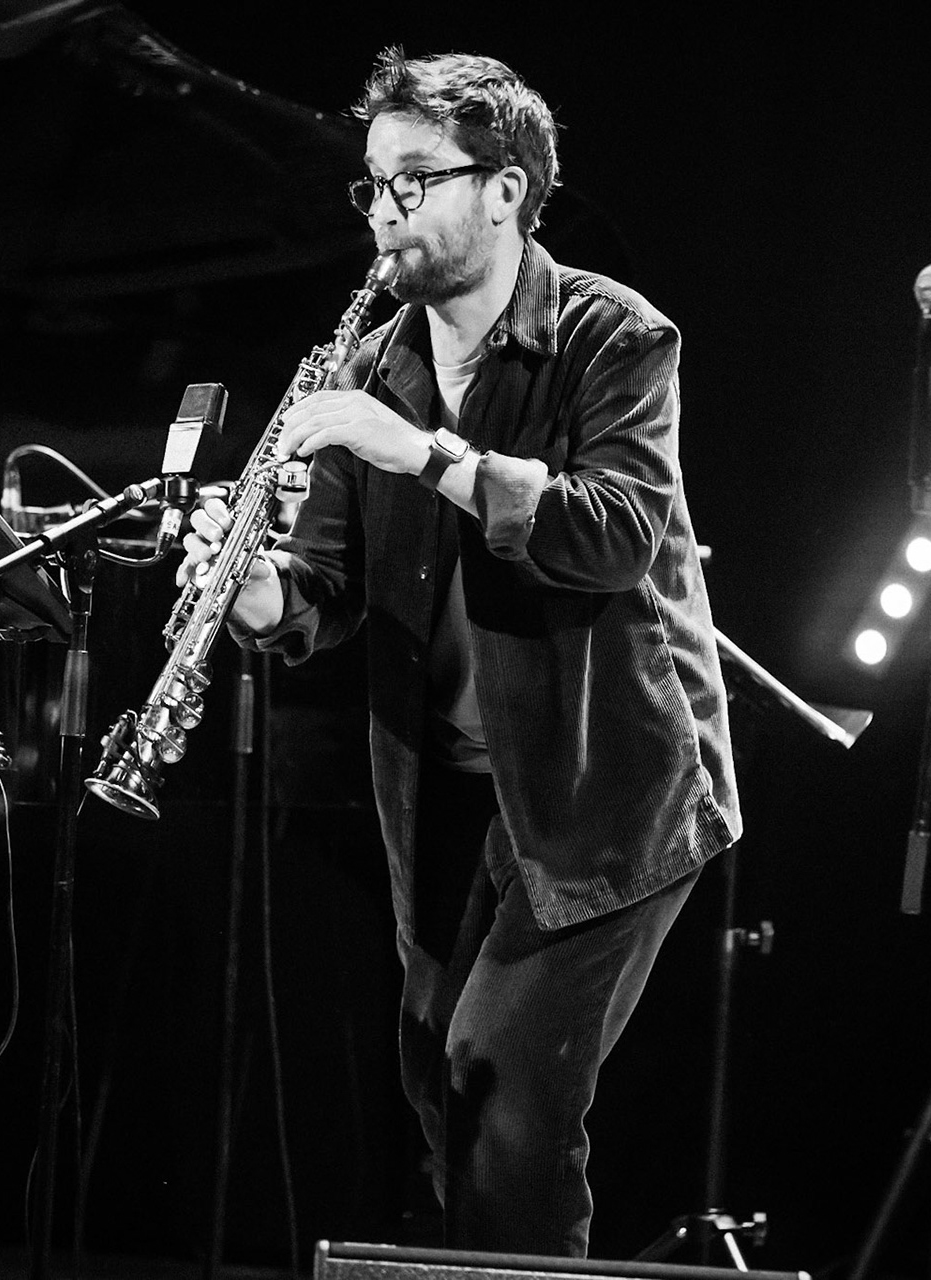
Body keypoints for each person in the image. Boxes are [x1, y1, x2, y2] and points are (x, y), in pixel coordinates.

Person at [180, 47, 740, 1256]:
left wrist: (426, 453)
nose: (386, 215)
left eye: (415, 181)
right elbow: (324, 589)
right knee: (442, 1084)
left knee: (505, 1090)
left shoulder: (616, 337)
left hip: (608, 784)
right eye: (373, 188)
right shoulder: (370, 362)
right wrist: (260, 593)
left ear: (506, 188)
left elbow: (615, 533)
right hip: (441, 788)